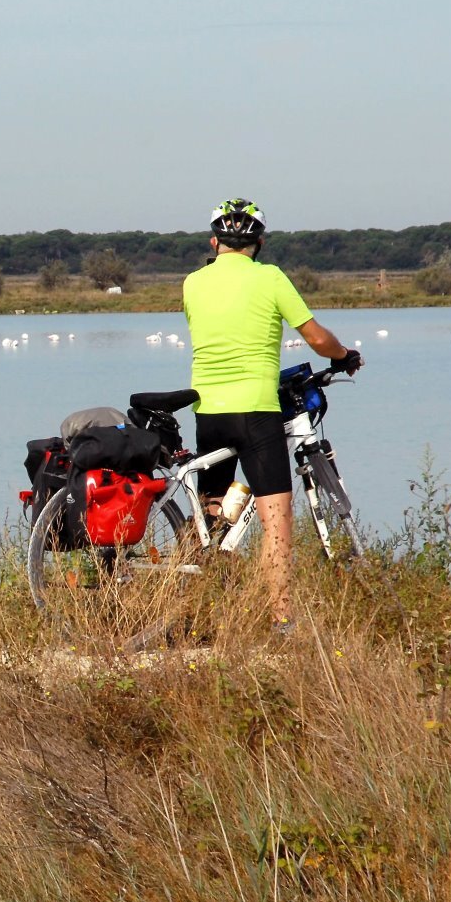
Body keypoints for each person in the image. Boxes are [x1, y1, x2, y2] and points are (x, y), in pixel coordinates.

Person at [181, 198, 361, 627]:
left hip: (207, 411)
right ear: (259, 243)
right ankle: (280, 620)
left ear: (214, 242)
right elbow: (316, 339)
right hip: (257, 411)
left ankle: (196, 602)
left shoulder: (192, 282)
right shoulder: (271, 278)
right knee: (276, 520)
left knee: (214, 517)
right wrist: (345, 355)